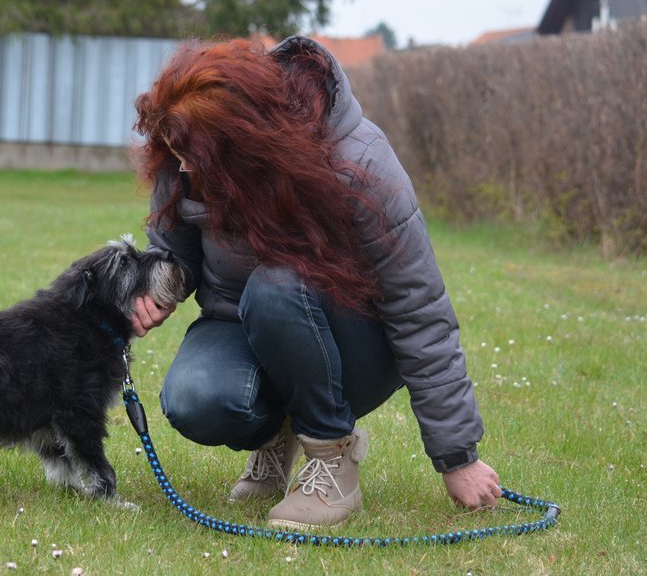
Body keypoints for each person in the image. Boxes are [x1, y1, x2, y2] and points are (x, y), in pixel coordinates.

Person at [129, 35, 500, 531]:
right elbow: (175, 249)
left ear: (248, 143)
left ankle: (331, 458)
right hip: (240, 322)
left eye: (193, 155)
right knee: (196, 399)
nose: (183, 166)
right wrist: (158, 286)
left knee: (276, 287)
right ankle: (276, 435)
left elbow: (419, 308)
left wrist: (457, 456)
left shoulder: (362, 162)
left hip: (351, 341)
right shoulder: (189, 147)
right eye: (174, 152)